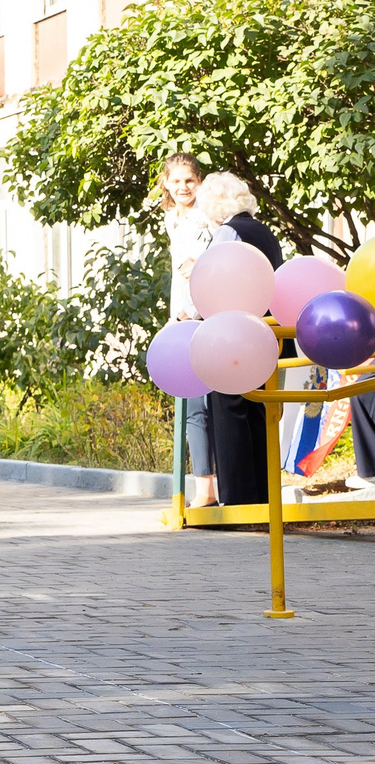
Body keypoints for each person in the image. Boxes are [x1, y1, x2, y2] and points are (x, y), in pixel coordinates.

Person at [201, 172, 284, 506]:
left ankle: (238, 500)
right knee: (256, 411)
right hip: (265, 334)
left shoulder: (228, 232)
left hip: (233, 334)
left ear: (214, 205)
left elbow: (212, 279)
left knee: (229, 409)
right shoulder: (265, 232)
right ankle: (263, 497)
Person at [160, 153, 217, 506]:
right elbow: (179, 274)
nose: (183, 187)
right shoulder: (172, 219)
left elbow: (209, 269)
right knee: (192, 406)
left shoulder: (206, 217)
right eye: (177, 181)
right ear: (166, 183)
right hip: (181, 319)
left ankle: (207, 489)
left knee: (201, 406)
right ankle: (205, 487)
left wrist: (189, 312)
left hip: (202, 318)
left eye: (189, 180)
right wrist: (175, 315)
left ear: (199, 182)